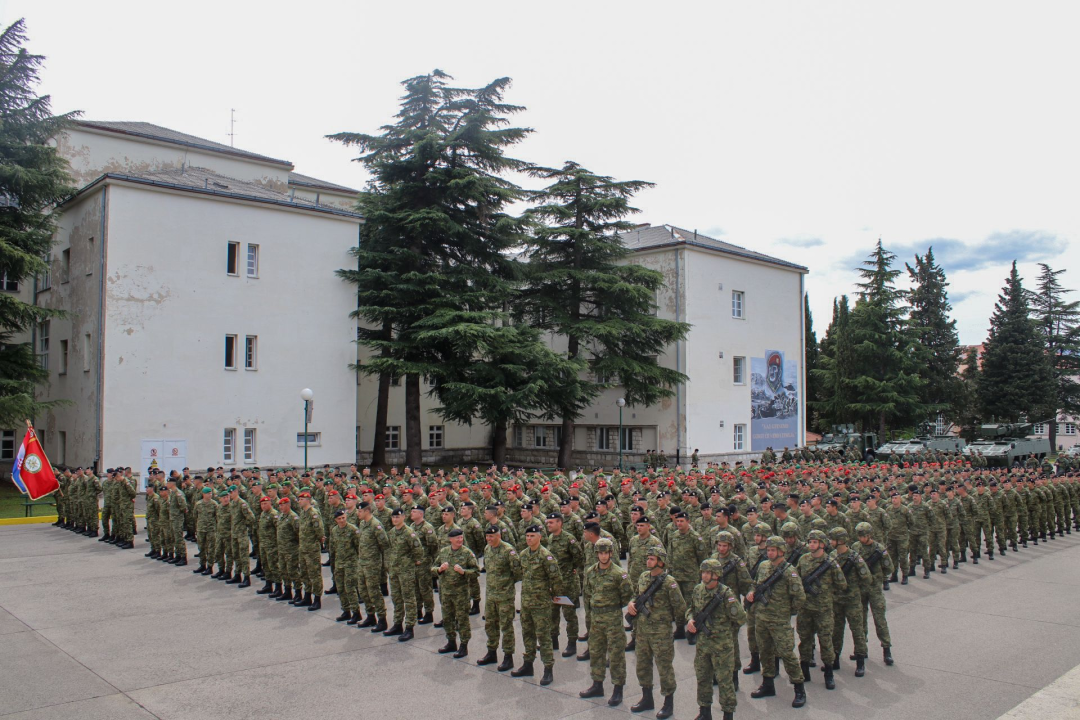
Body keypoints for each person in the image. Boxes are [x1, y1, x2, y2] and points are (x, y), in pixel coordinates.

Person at [747, 536, 806, 708]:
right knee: (765, 652)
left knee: (786, 653)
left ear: (781, 551)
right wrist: (751, 593)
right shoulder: (763, 566)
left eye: (773, 550)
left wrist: (787, 611)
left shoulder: (789, 571)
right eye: (769, 550)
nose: (770, 552)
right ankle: (768, 684)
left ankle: (799, 688)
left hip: (779, 620)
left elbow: (800, 597)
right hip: (762, 618)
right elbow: (755, 584)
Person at [627, 545, 685, 720]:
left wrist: (671, 623)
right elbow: (636, 595)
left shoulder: (669, 582)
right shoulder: (644, 577)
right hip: (643, 631)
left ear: (661, 562)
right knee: (642, 665)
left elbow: (680, 607)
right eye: (648, 558)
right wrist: (631, 603)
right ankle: (647, 698)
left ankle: (668, 702)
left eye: (652, 559)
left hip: (661, 633)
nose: (648, 561)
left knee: (664, 667)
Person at [686, 558, 746, 720]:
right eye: (703, 572)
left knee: (724, 681)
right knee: (703, 677)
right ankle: (704, 711)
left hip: (722, 646)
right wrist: (690, 620)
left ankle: (728, 713)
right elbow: (691, 609)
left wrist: (725, 632)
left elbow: (740, 618)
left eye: (708, 573)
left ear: (717, 575)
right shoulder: (698, 590)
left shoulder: (726, 595)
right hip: (703, 644)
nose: (704, 575)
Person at [579, 537, 633, 707]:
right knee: (596, 651)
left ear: (611, 553)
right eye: (600, 553)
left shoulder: (619, 574)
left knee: (616, 654)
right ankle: (597, 684)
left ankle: (618, 689)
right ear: (596, 554)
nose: (603, 556)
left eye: (606, 553)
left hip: (612, 618)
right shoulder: (590, 572)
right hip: (596, 618)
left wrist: (611, 607)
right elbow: (587, 594)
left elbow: (627, 596)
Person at [512, 524, 562, 686]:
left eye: (532, 536)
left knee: (544, 636)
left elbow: (556, 578)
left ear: (539, 537)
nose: (529, 539)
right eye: (527, 536)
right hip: (526, 602)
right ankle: (528, 664)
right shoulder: (524, 555)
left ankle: (548, 668)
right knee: (527, 634)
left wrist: (552, 595)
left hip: (541, 604)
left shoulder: (546, 556)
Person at [795, 529, 846, 689]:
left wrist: (827, 593)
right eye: (810, 542)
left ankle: (829, 673)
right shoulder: (803, 560)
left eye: (815, 542)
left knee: (825, 641)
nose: (811, 544)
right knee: (805, 640)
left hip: (823, 609)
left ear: (822, 544)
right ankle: (804, 670)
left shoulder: (830, 563)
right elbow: (796, 580)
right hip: (805, 608)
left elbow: (842, 584)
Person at [476, 525, 521, 671]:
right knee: (490, 624)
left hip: (505, 596)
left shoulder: (509, 551)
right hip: (490, 595)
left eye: (492, 536)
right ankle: (491, 652)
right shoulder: (487, 549)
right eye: (487, 536)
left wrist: (506, 585)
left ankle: (508, 657)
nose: (489, 539)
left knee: (506, 626)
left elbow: (518, 572)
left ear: (499, 536)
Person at [829, 527, 871, 677]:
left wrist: (855, 590)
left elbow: (866, 577)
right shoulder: (832, 556)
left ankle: (860, 661)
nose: (831, 542)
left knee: (857, 630)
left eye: (833, 539)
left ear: (841, 540)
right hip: (836, 600)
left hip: (852, 600)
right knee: (836, 630)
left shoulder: (854, 557)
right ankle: (835, 659)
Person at [433, 528, 479, 658]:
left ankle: (464, 645)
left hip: (461, 594)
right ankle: (451, 642)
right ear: (450, 539)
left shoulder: (467, 553)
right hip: (446, 593)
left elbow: (476, 571)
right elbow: (432, 568)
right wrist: (440, 569)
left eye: (461, 538)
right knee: (447, 618)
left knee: (462, 619)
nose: (460, 540)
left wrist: (463, 572)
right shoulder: (444, 552)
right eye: (457, 538)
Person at [854, 522, 894, 666]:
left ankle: (886, 649)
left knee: (880, 620)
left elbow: (889, 567)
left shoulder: (879, 549)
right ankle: (861, 649)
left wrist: (878, 576)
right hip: (860, 588)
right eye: (859, 535)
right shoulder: (855, 548)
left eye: (863, 535)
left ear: (869, 535)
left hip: (874, 589)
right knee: (860, 620)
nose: (861, 538)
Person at [384, 508, 423, 642]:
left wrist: (412, 562)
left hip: (406, 571)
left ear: (403, 517)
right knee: (396, 597)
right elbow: (389, 550)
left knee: (409, 598)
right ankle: (397, 623)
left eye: (397, 517)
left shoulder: (409, 533)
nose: (395, 519)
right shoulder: (391, 533)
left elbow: (418, 550)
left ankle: (409, 627)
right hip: (394, 570)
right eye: (393, 517)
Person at [330, 509, 361, 623]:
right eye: (339, 519)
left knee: (350, 588)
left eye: (343, 517)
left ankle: (356, 612)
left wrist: (358, 562)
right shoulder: (334, 530)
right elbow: (333, 548)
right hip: (339, 564)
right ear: (336, 520)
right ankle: (346, 611)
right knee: (341, 588)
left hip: (351, 563)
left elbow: (359, 547)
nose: (342, 520)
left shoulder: (353, 530)